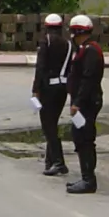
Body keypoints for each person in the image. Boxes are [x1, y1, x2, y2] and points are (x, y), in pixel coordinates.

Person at [65, 15, 105, 195]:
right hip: (83, 101)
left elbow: (88, 80)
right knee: (79, 137)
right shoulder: (84, 49)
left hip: (87, 102)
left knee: (85, 138)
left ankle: (89, 180)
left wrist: (78, 103)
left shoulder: (91, 51)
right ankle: (85, 176)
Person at [31, 13, 72, 177]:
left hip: (48, 88)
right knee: (52, 123)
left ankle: (59, 162)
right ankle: (50, 161)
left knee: (48, 126)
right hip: (62, 88)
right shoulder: (68, 44)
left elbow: (40, 67)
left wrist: (35, 89)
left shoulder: (46, 42)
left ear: (46, 27)